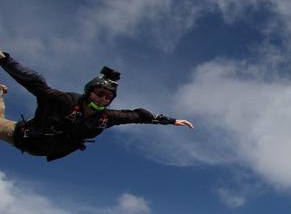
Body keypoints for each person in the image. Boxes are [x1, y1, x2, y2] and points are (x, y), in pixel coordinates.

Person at [1, 49, 194, 161]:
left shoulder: (105, 119)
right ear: (89, 92)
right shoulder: (64, 101)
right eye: (100, 93)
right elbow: (34, 82)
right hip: (20, 136)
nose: (103, 99)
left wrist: (171, 120)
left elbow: (138, 116)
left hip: (43, 150)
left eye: (108, 97)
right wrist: (6, 60)